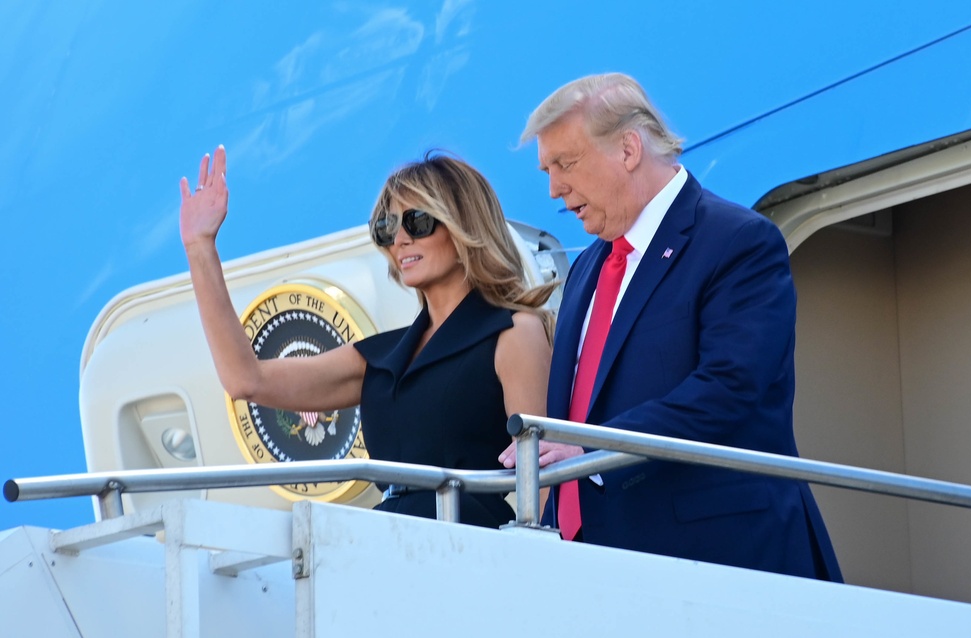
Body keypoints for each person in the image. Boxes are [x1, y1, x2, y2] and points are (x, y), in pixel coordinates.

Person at [500, 73, 842, 580]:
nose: (554, 188)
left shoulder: (739, 241)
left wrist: (591, 449)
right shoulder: (590, 268)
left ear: (629, 148)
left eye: (565, 163)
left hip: (723, 560)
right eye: (547, 170)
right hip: (594, 565)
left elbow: (729, 387)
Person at [180, 146, 554, 528]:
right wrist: (200, 249)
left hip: (473, 543)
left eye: (418, 222)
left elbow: (542, 478)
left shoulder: (513, 333)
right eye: (387, 228)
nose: (400, 240)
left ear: (464, 227)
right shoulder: (382, 357)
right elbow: (246, 380)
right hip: (384, 541)